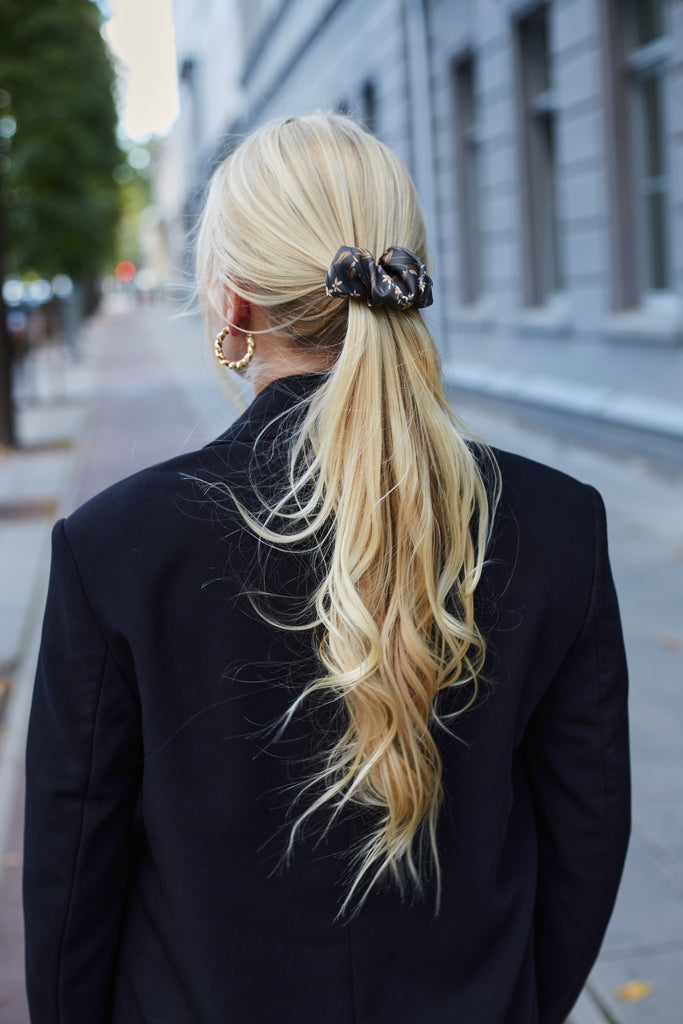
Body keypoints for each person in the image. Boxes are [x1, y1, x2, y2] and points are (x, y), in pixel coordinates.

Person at [23, 112, 630, 1024]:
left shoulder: (115, 547)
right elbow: (586, 836)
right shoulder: (557, 526)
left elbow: (73, 878)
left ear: (233, 306)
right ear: (408, 278)